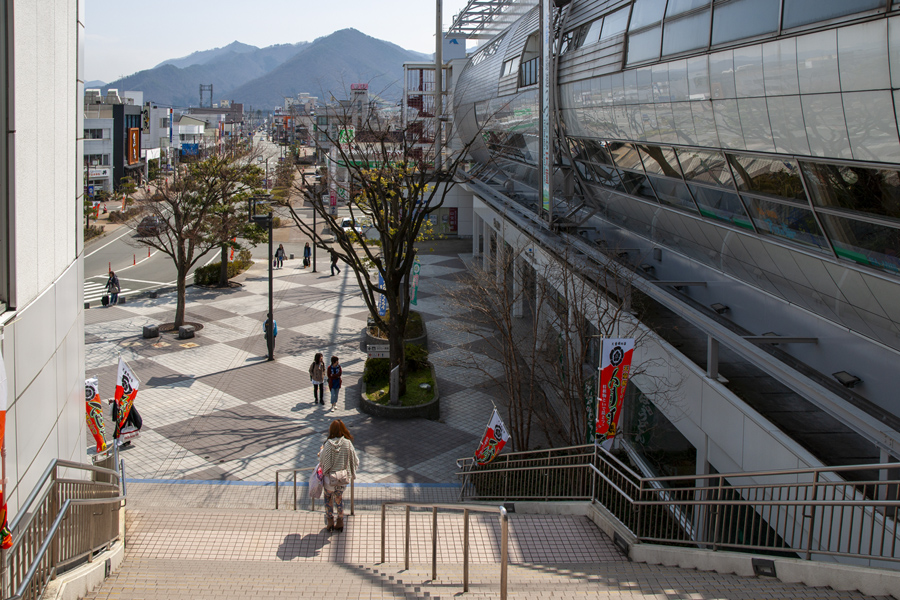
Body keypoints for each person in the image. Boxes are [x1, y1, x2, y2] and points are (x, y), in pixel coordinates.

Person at [319, 419, 359, 533]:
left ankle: (330, 521)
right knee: (339, 498)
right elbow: (355, 460)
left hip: (329, 480)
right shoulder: (347, 443)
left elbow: (322, 460)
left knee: (328, 498)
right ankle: (340, 521)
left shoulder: (328, 444)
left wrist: (321, 452)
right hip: (342, 479)